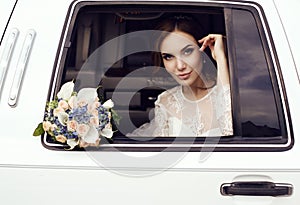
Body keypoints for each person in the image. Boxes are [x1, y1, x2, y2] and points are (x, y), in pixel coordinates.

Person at [127, 15, 233, 137]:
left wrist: (221, 58)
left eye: (187, 51)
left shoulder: (229, 93)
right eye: (168, 57)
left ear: (203, 52)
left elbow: (231, 134)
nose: (180, 66)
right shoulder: (166, 101)